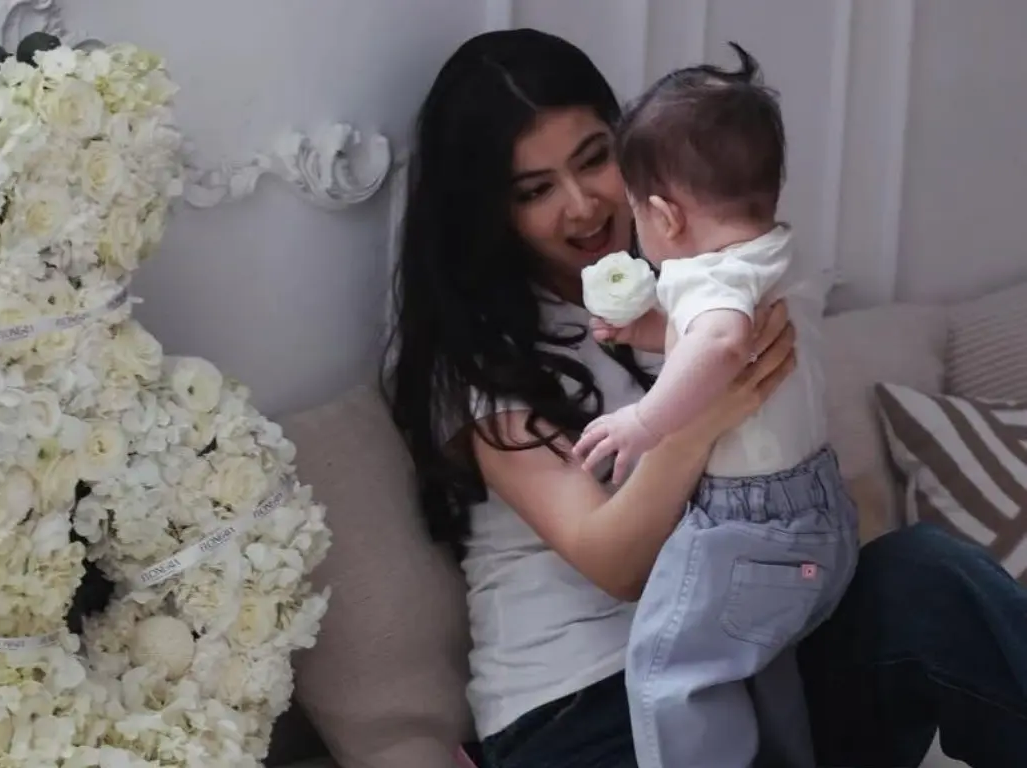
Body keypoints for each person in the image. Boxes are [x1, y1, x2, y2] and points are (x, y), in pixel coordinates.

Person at [383, 27, 1027, 768]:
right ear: (492, 211)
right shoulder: (482, 358)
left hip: (757, 652)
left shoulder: (700, 279)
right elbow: (615, 561)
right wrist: (701, 416)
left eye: (594, 159)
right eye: (535, 191)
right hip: (586, 700)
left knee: (929, 577)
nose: (582, 205)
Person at [568, 45, 858, 768]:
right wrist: (648, 330)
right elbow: (711, 331)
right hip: (819, 512)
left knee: (666, 674)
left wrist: (644, 421)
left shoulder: (704, 280)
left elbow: (722, 341)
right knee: (761, 665)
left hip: (747, 525)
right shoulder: (774, 254)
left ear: (664, 216)